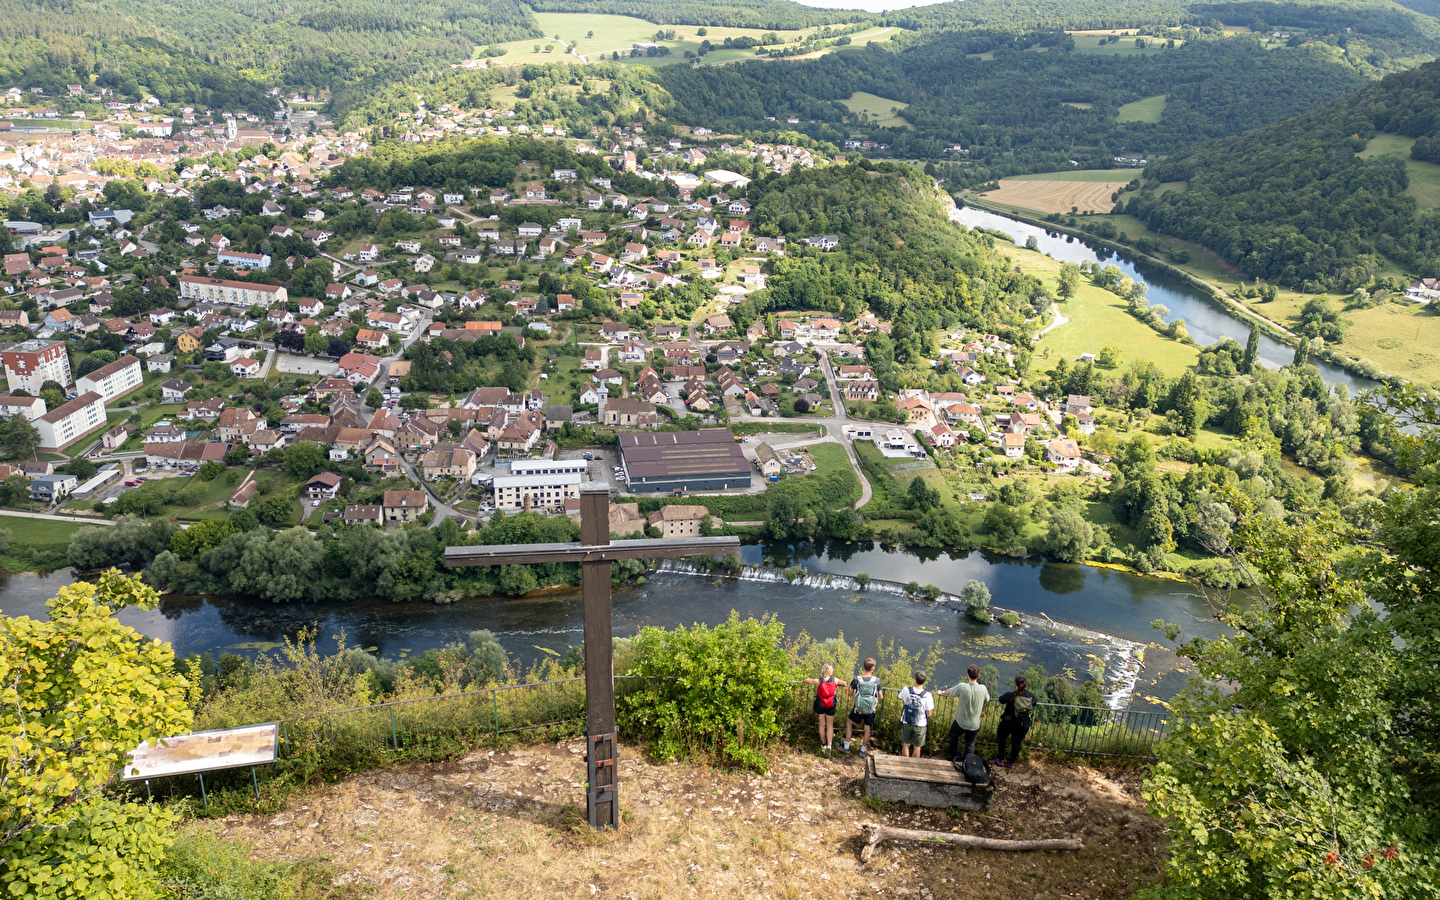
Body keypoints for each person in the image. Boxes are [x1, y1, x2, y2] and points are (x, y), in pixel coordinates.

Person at [938, 664, 989, 762]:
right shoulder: (983, 688)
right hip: (974, 722)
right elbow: (987, 699)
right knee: (970, 744)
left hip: (961, 721)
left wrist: (942, 692)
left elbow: (950, 691)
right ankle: (967, 763)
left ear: (967, 675)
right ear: (978, 675)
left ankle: (955, 757)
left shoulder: (962, 686)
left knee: (953, 735)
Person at [842, 658, 883, 757]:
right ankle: (862, 750)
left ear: (864, 666)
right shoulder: (876, 681)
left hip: (858, 708)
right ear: (872, 668)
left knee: (849, 722)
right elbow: (881, 697)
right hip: (870, 709)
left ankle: (846, 746)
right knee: (867, 728)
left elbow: (851, 694)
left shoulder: (857, 679)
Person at [994, 675, 1037, 768]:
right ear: (1025, 685)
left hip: (1009, 722)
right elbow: (1034, 702)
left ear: (1015, 684)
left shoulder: (1011, 695)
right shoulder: (1030, 696)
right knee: (1017, 742)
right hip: (1023, 723)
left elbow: (1001, 699)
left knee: (1001, 736)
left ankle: (1001, 758)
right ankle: (1011, 762)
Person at [803, 663, 840, 756]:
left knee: (822, 725)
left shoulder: (819, 681)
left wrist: (806, 678)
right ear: (831, 672)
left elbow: (806, 680)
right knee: (830, 725)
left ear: (823, 671)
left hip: (821, 705)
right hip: (831, 705)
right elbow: (845, 683)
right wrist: (838, 684)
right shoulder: (835, 680)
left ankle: (823, 744)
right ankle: (829, 745)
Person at [896, 669, 934, 758]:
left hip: (906, 721)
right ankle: (913, 766)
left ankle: (905, 763)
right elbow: (929, 713)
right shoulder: (927, 695)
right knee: (917, 747)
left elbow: (899, 697)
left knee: (906, 744)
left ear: (915, 679)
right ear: (924, 681)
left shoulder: (906, 689)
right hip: (920, 724)